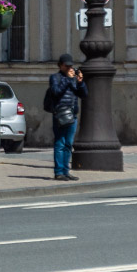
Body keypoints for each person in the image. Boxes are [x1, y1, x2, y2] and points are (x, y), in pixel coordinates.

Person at [45, 54, 87, 182]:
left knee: (68, 144)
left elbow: (83, 94)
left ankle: (66, 171)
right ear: (60, 65)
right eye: (66, 65)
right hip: (60, 114)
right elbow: (56, 92)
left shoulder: (73, 78)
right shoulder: (55, 77)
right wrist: (68, 80)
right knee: (60, 143)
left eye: (70, 65)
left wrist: (80, 83)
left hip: (72, 114)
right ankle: (59, 172)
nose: (69, 68)